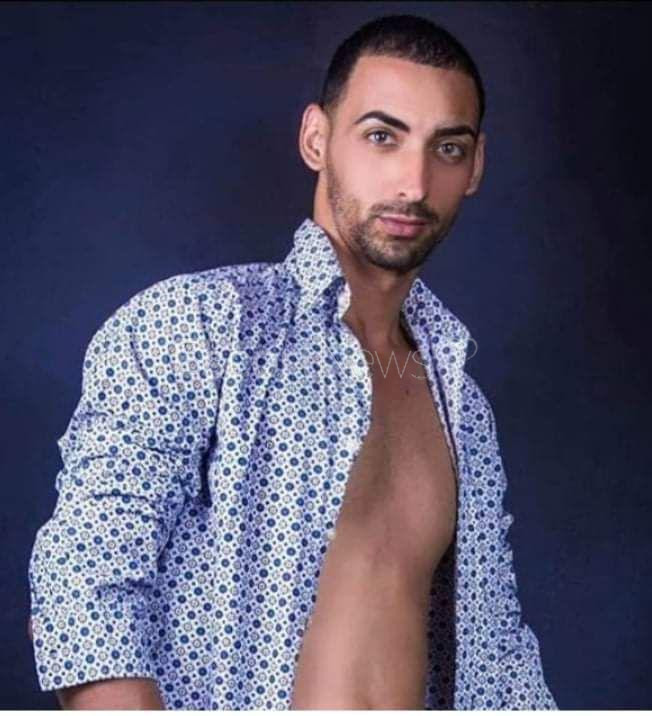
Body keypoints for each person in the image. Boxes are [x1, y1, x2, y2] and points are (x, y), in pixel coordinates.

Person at [27, 13, 557, 710]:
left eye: (447, 148)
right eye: (382, 136)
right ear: (316, 138)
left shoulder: (461, 407)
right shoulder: (201, 326)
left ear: (476, 166)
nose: (414, 181)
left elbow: (500, 662)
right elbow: (85, 585)